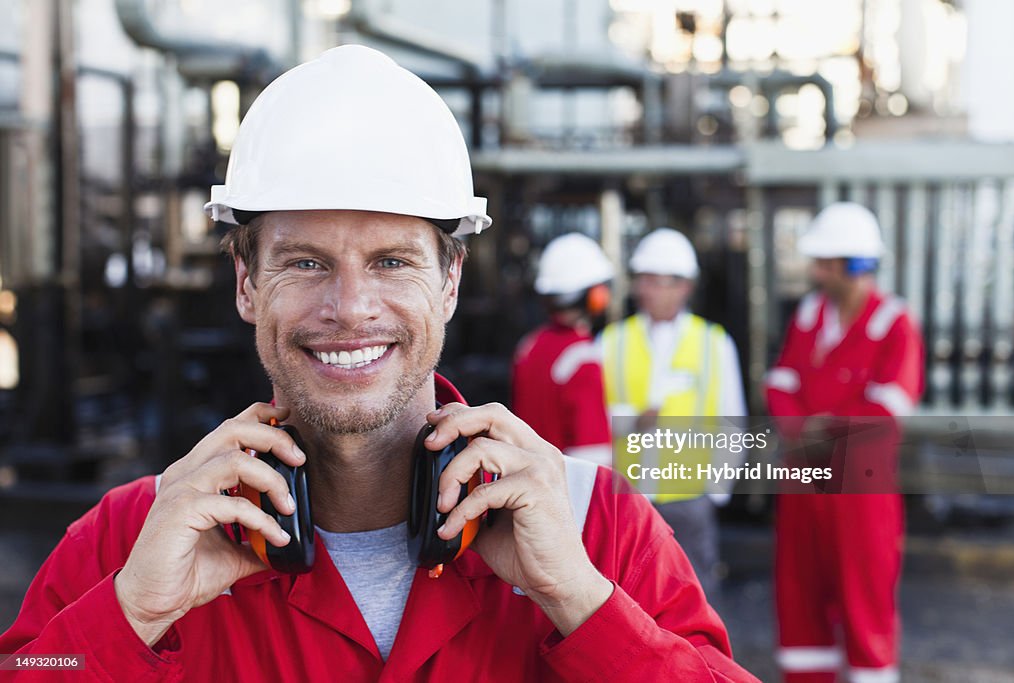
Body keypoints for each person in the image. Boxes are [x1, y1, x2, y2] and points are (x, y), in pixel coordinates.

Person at [0, 46, 758, 682]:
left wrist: (583, 604)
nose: (351, 306)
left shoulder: (598, 529)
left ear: (451, 280)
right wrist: (128, 615)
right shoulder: (130, 540)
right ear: (244, 283)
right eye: (304, 263)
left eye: (393, 261)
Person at [764, 202, 924, 683]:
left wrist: (820, 428)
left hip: (861, 499)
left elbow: (889, 412)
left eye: (823, 262)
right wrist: (803, 428)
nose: (814, 271)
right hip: (804, 488)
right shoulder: (811, 314)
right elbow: (780, 383)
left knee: (866, 607)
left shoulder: (894, 323)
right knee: (799, 600)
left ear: (853, 266)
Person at [599, 228, 747, 599]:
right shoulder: (612, 341)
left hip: (690, 499)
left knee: (694, 598)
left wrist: (716, 489)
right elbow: (592, 416)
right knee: (628, 598)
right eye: (645, 280)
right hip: (626, 498)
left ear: (685, 286)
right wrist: (633, 418)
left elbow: (733, 420)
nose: (651, 290)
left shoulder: (714, 342)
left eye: (662, 282)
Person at [511, 233, 614, 466]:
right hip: (566, 491)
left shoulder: (529, 346)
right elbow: (592, 455)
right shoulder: (582, 356)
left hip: (527, 480)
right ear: (596, 296)